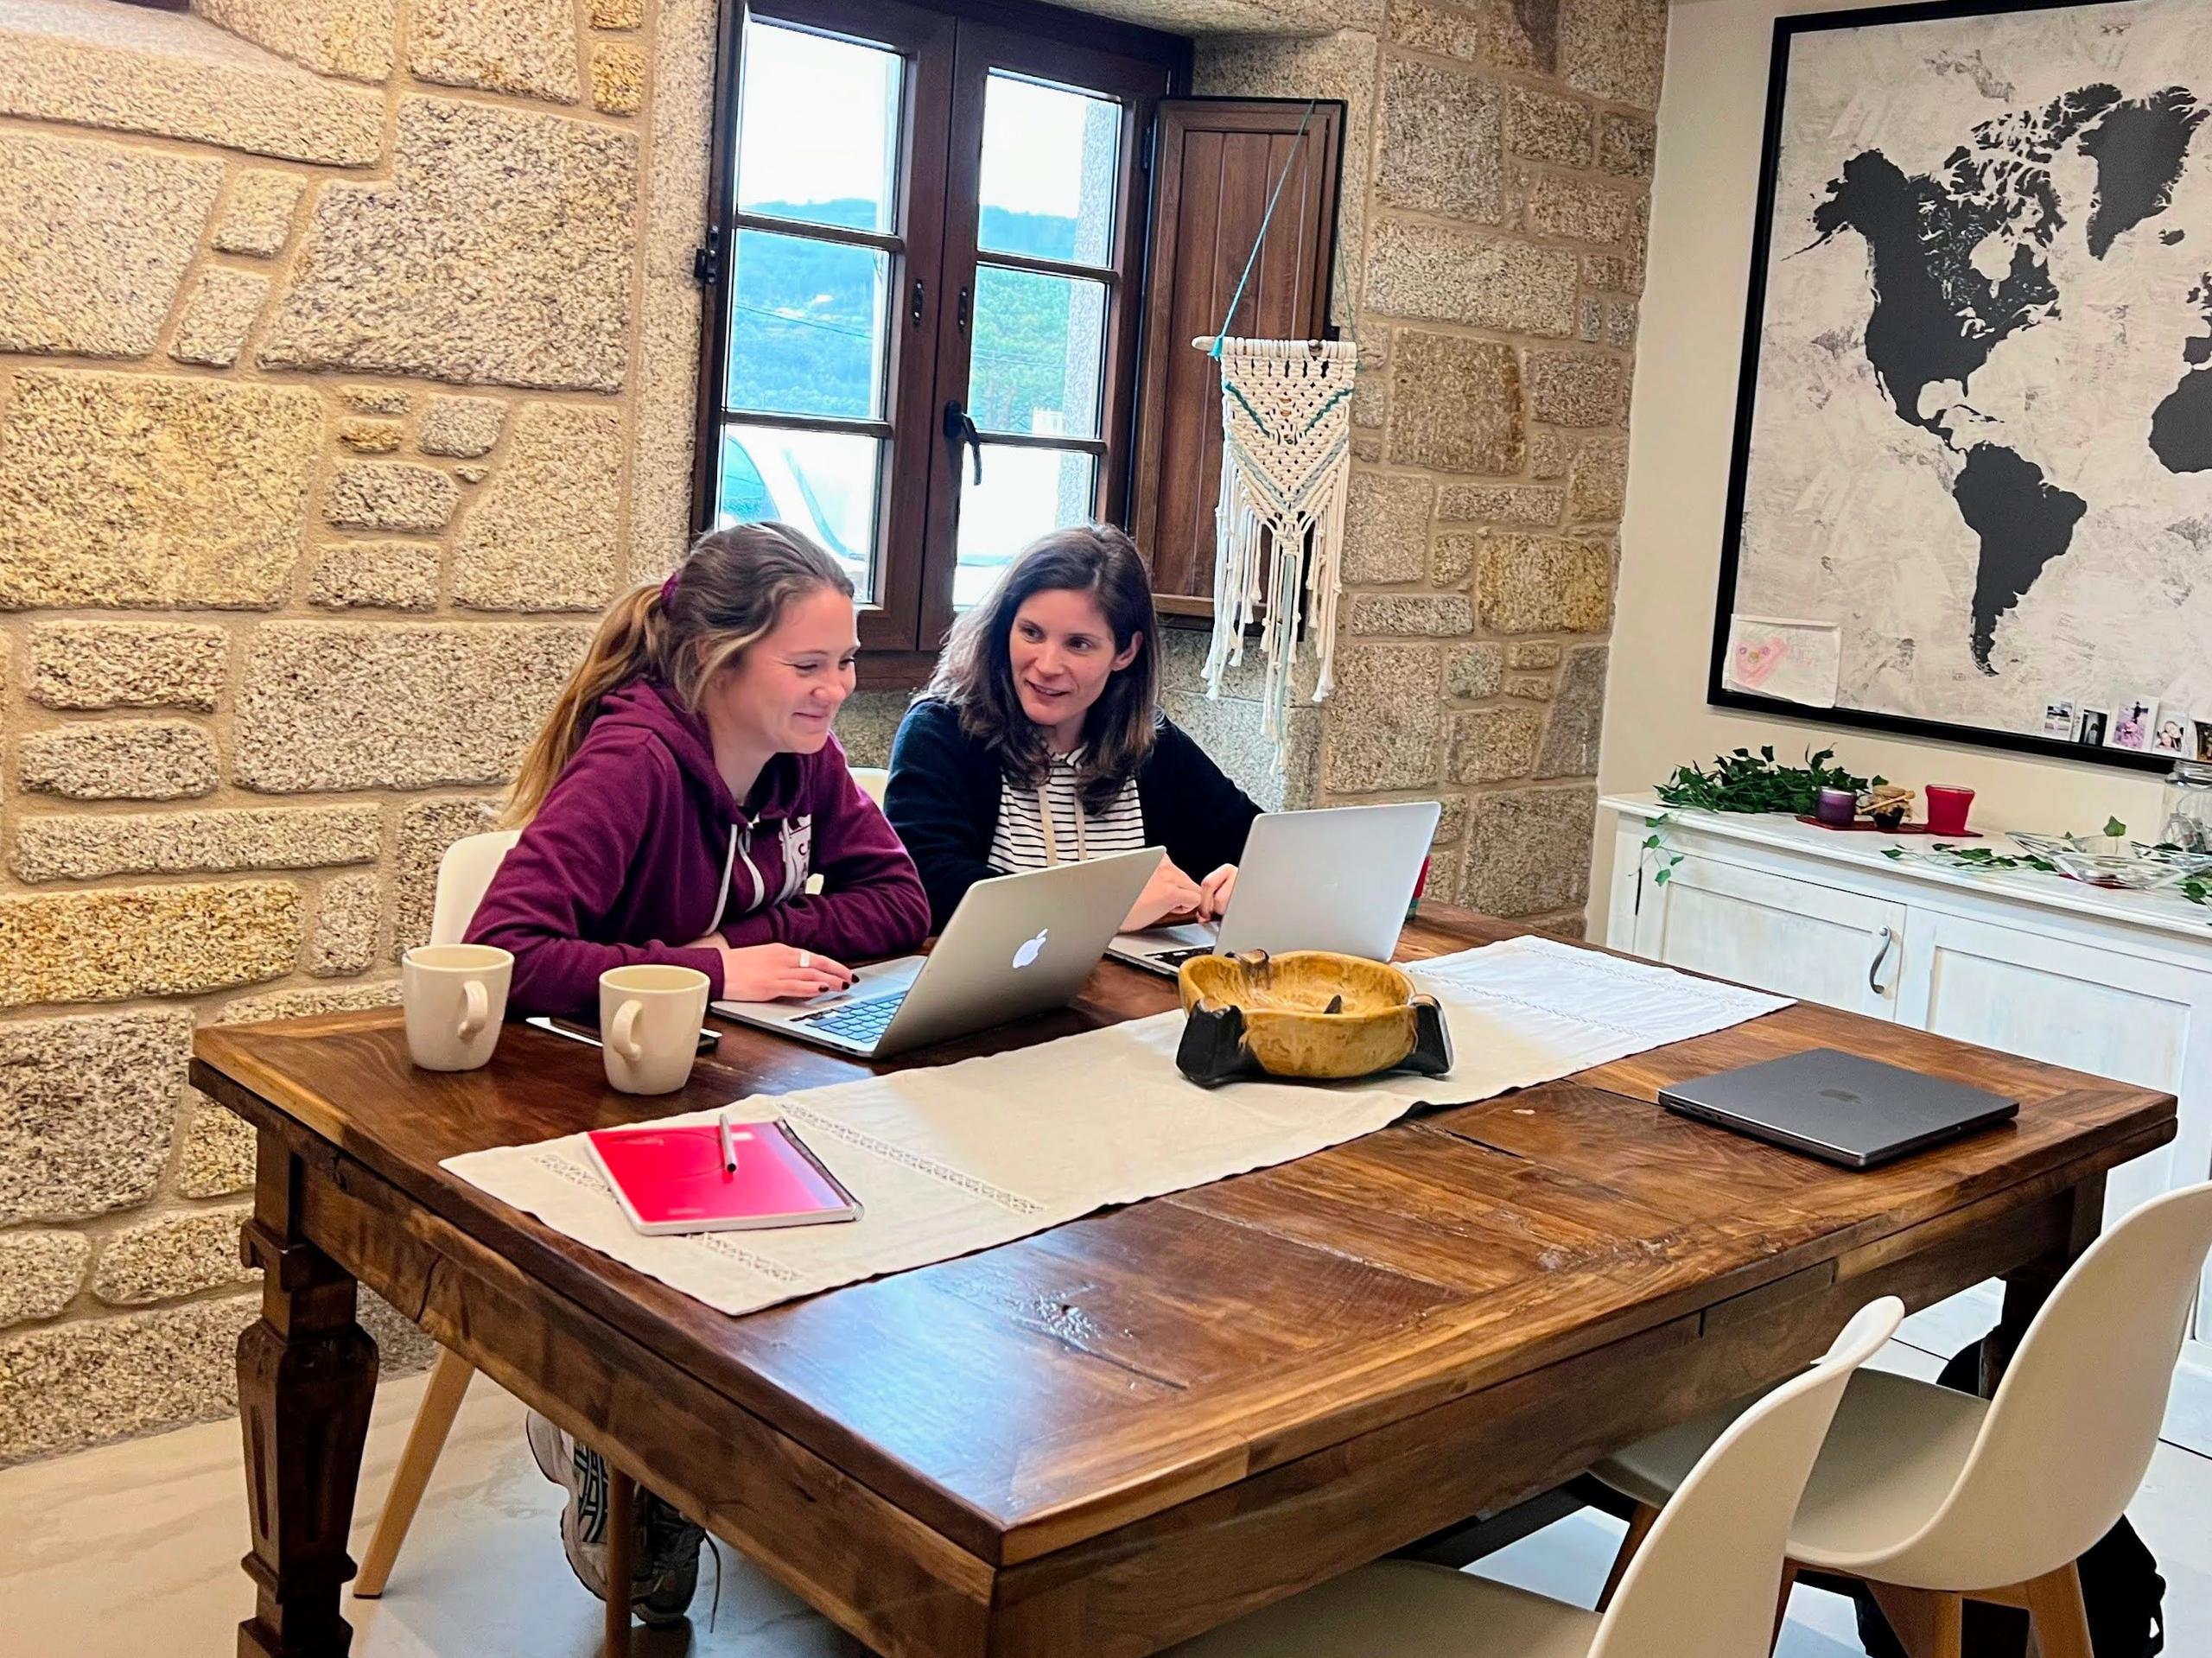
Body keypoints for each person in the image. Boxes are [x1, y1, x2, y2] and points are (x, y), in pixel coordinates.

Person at [466, 522, 929, 1623]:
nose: (836, 689)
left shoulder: (804, 756)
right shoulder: (634, 759)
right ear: (720, 661)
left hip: (728, 1082)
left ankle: (689, 1444)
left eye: (846, 660)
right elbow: (505, 950)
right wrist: (712, 966)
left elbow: (901, 902)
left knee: (881, 1195)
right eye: (807, 664)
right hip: (592, 1099)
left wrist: (747, 942)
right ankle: (606, 1416)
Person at [885, 524, 1261, 934]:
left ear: (1125, 652)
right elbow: (927, 887)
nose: (1047, 665)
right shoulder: (940, 731)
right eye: (1031, 633)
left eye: (1078, 644)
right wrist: (1101, 908)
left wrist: (1248, 882)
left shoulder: (1155, 744)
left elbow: (1264, 848)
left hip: (1122, 977)